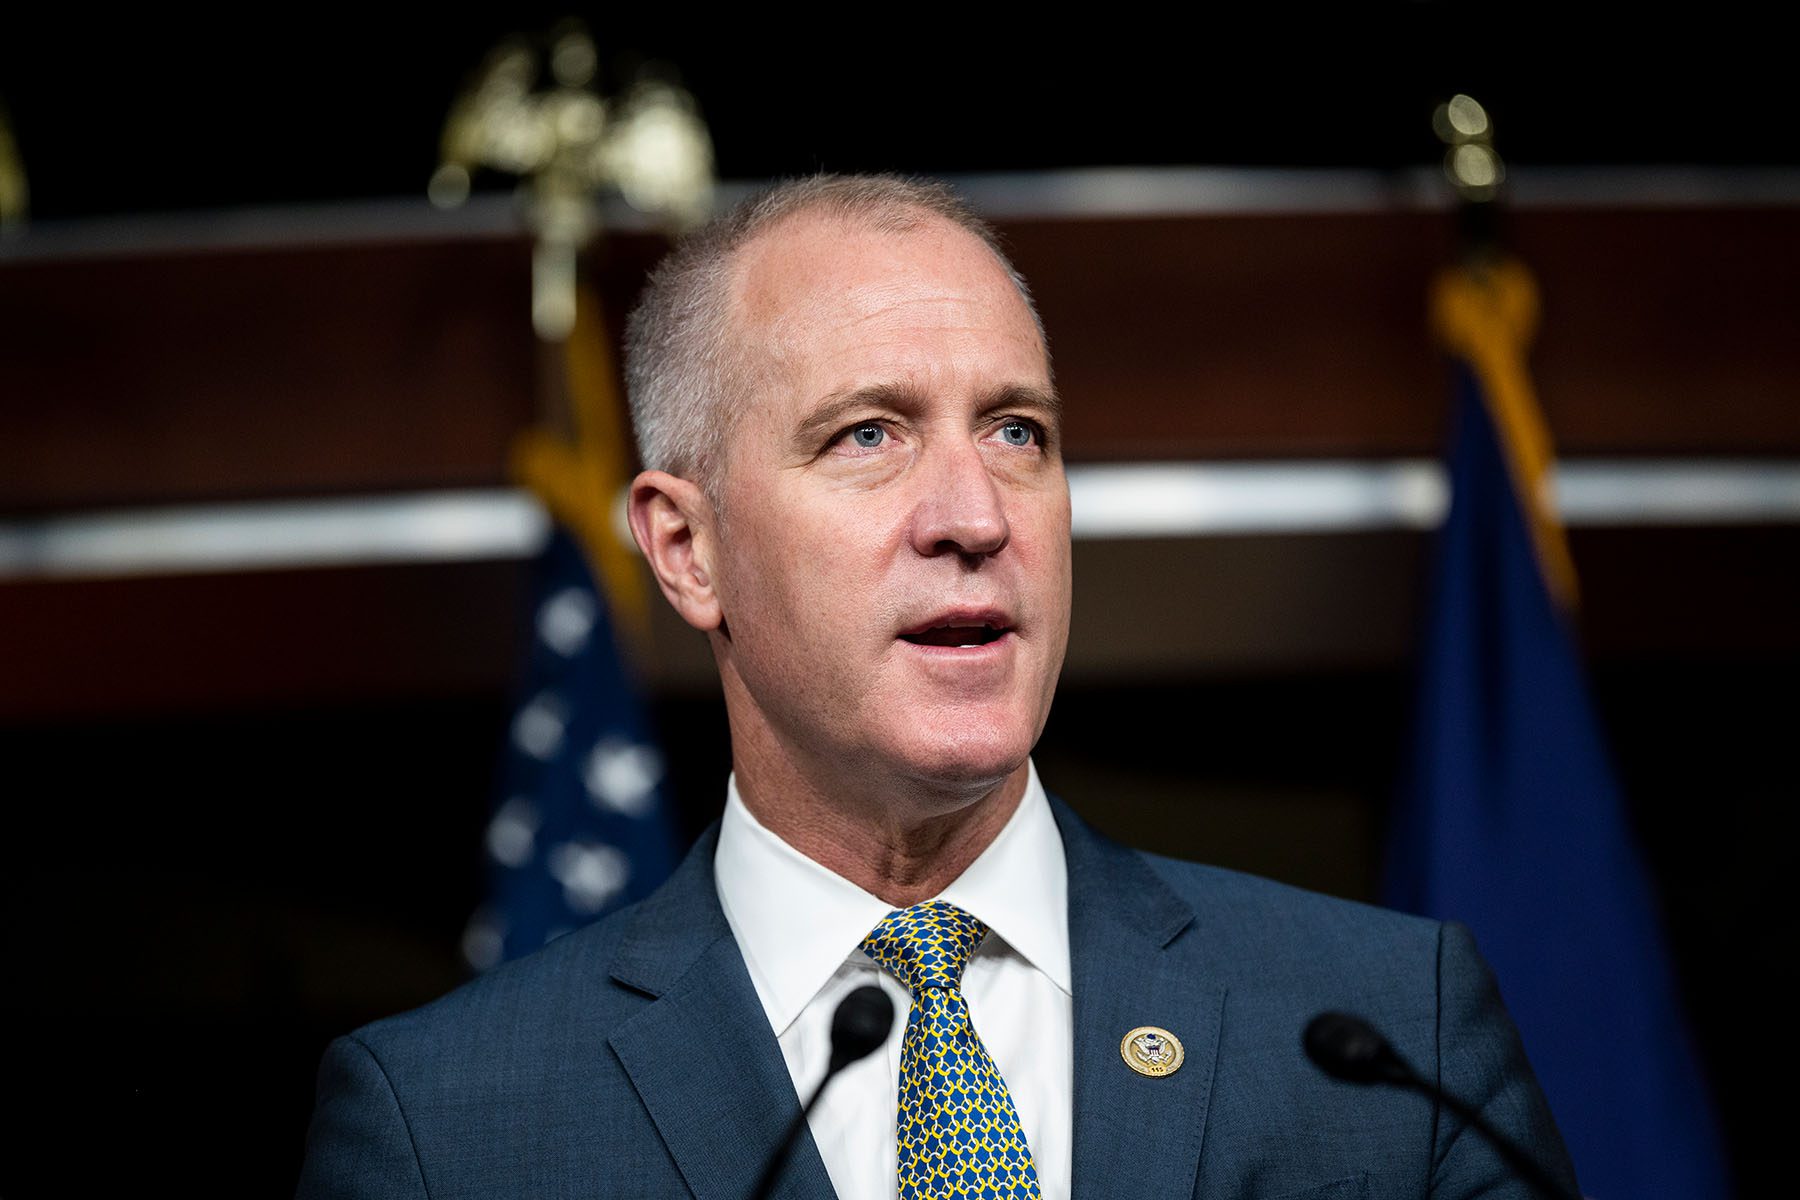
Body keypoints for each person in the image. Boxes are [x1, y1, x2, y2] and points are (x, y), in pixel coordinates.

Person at [297, 175, 1576, 1199]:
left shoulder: (1387, 1031)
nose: (975, 515)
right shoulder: (448, 1129)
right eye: (869, 434)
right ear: (688, 550)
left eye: (1018, 433)